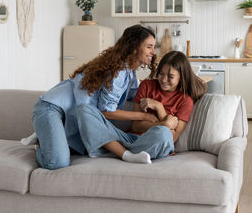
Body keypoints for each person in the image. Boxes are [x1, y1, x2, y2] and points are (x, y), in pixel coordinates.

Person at [30, 24, 158, 170]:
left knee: (78, 149)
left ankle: (51, 139)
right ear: (134, 47)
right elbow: (106, 111)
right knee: (57, 162)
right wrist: (143, 116)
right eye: (149, 47)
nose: (153, 52)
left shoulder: (130, 74)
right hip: (51, 108)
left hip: (68, 115)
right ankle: (41, 144)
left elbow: (136, 96)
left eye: (154, 47)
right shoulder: (119, 71)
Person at [75, 51, 207, 164]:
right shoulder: (147, 86)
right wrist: (164, 123)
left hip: (154, 142)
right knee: (84, 110)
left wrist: (159, 108)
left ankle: (113, 149)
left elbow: (172, 137)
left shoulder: (185, 100)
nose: (164, 79)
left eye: (170, 76)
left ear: (181, 77)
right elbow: (136, 126)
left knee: (164, 133)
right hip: (130, 139)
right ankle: (126, 155)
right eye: (161, 74)